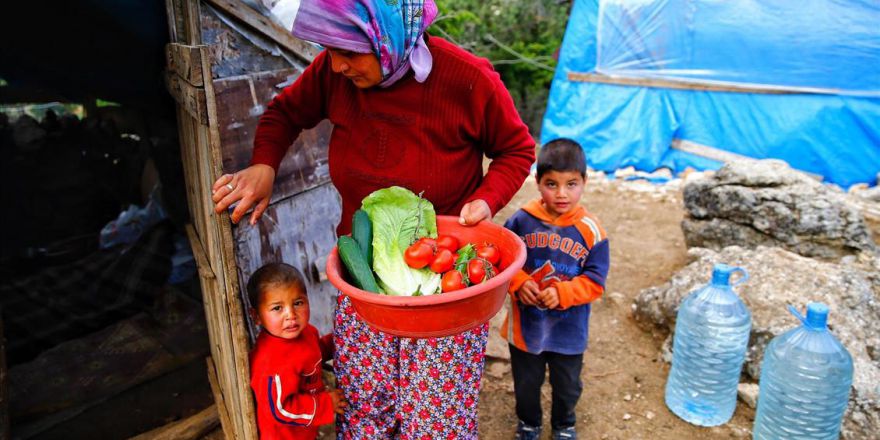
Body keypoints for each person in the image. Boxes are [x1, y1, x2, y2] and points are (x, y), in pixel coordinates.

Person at [211, 0, 535, 437]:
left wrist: (486, 199)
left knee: (433, 419)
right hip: (363, 279)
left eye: (348, 52)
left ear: (387, 37)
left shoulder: (467, 79)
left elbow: (516, 149)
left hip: (444, 280)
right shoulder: (332, 73)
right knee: (366, 402)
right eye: (330, 50)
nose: (337, 65)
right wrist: (264, 164)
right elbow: (284, 112)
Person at [501, 139, 610, 440]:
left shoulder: (593, 230)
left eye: (571, 184)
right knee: (526, 382)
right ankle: (529, 423)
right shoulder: (521, 221)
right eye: (551, 184)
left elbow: (596, 281)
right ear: (537, 182)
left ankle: (564, 425)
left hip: (568, 330)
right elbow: (503, 261)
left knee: (567, 384)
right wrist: (519, 283)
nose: (561, 193)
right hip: (527, 326)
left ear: (584, 182)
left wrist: (563, 293)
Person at [247, 263, 347, 439]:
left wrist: (339, 342)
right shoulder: (270, 361)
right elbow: (279, 409)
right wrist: (325, 403)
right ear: (256, 316)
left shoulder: (306, 332)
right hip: (285, 435)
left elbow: (313, 353)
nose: (291, 314)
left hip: (304, 429)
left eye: (298, 303)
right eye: (277, 308)